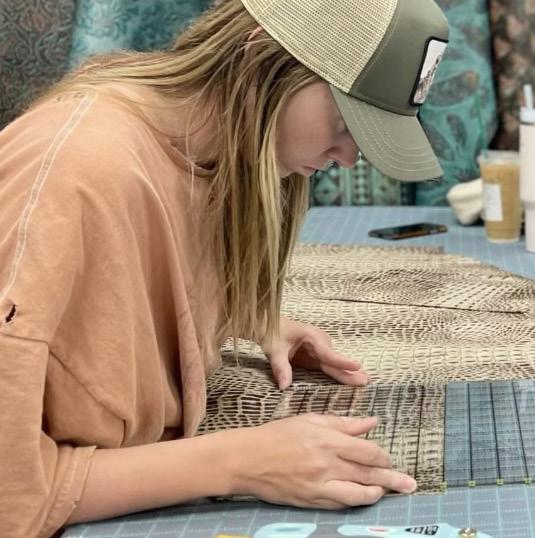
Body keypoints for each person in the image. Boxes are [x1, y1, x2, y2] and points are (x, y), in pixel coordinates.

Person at [0, 0, 450, 534]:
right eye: (344, 122)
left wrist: (240, 318)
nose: (349, 158)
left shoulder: (204, 154)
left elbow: (108, 292)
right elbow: (11, 493)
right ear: (259, 55)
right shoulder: (77, 166)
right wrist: (239, 461)